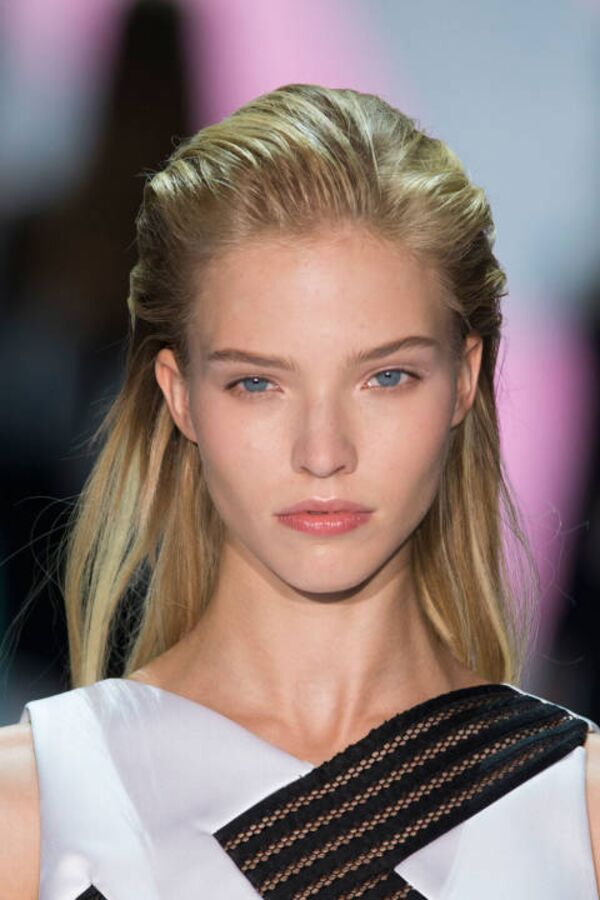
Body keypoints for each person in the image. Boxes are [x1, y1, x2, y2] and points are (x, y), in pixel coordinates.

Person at [1, 83, 599, 899]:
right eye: (257, 383)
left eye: (386, 377)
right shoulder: (28, 814)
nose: (323, 453)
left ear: (464, 381)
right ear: (180, 395)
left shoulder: (580, 815)